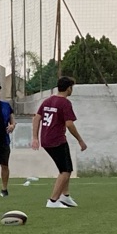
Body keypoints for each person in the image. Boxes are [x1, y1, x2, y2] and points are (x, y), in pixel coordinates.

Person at [33, 77, 85, 207]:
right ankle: (53, 201)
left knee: (65, 168)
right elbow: (69, 124)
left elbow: (36, 118)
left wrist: (35, 137)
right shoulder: (65, 103)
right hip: (57, 140)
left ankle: (65, 196)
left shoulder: (48, 100)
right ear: (69, 88)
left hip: (46, 140)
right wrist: (80, 140)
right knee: (66, 171)